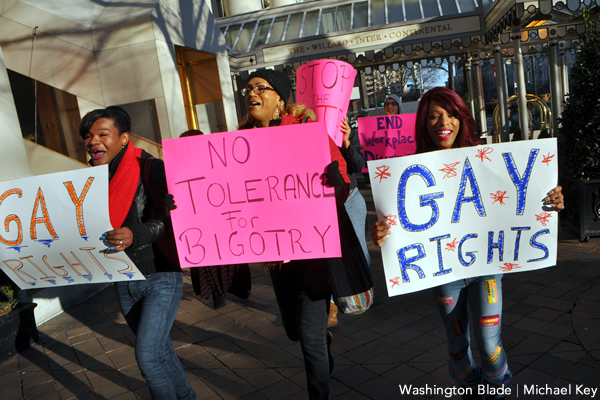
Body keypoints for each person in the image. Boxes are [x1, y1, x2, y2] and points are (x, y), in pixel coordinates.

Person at [370, 87, 564, 400]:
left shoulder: (489, 161)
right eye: (433, 116)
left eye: (449, 114)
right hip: (445, 275)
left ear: (462, 118)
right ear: (423, 123)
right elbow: (397, 224)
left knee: (489, 347)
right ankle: (471, 389)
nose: (442, 122)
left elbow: (521, 195)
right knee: (458, 349)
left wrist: (549, 201)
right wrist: (381, 234)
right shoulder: (407, 171)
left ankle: (498, 389)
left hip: (486, 268)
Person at [239, 69, 351, 400]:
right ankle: (321, 341)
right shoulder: (238, 142)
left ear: (280, 98)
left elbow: (341, 173)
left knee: (309, 335)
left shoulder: (305, 130)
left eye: (260, 87)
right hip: (276, 255)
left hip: (313, 250)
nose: (251, 93)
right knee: (295, 331)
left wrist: (337, 179)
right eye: (248, 88)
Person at [79, 106, 196, 400]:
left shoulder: (151, 168)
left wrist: (136, 233)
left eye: (103, 134)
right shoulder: (90, 183)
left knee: (148, 356)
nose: (94, 141)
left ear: (124, 138)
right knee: (161, 352)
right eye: (89, 136)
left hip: (160, 276)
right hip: (122, 278)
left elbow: (173, 217)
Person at [179, 130, 251, 309]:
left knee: (231, 256)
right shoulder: (179, 171)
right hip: (199, 223)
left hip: (224, 220)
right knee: (208, 260)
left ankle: (235, 286)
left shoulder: (219, 163)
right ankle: (216, 292)